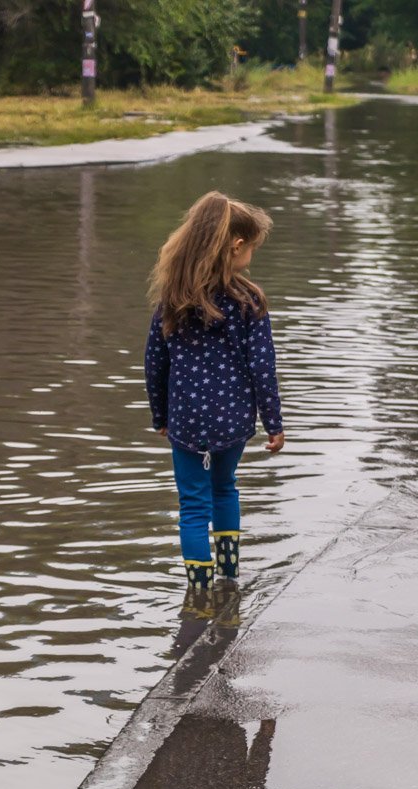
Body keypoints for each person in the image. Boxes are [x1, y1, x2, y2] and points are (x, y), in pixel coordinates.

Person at [144, 190, 285, 592]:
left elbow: (154, 363)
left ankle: (198, 593)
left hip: (185, 421)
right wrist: (273, 422)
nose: (251, 256)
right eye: (252, 248)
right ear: (237, 245)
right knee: (225, 488)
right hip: (233, 419)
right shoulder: (250, 300)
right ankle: (230, 578)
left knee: (192, 506)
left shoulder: (172, 300)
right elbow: (263, 367)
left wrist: (161, 417)